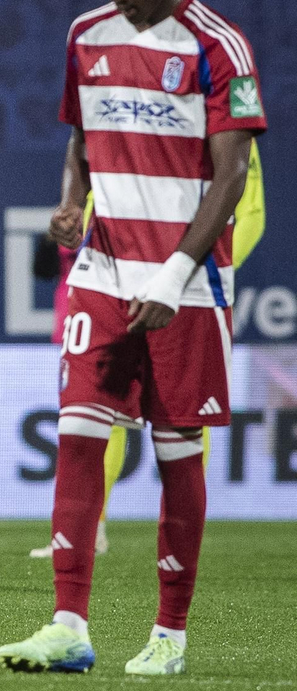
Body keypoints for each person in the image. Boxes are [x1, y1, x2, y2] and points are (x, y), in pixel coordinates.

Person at [0, 0, 265, 676]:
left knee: (179, 452)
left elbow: (231, 174)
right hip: (102, 276)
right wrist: (72, 201)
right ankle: (68, 624)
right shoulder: (88, 37)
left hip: (184, 285)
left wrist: (175, 277)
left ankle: (170, 635)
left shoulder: (218, 45)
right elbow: (81, 137)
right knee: (79, 440)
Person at [27, 140, 265, 560]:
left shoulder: (220, 113)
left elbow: (250, 213)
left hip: (186, 287)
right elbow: (98, 186)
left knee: (185, 416)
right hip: (116, 280)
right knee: (100, 407)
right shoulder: (122, 100)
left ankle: (183, 537)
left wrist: (198, 272)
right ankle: (89, 530)